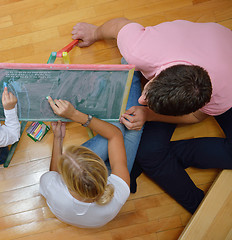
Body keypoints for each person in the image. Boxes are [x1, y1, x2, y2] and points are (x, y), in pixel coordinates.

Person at [71, 18, 232, 213]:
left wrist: (148, 115)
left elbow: (198, 117)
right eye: (147, 91)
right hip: (210, 47)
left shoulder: (223, 94)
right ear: (159, 74)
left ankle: (197, 206)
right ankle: (195, 202)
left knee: (150, 153)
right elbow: (118, 25)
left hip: (225, 72)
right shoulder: (140, 49)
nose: (140, 99)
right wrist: (95, 32)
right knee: (150, 152)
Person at [39, 70, 143, 228]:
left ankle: (131, 72)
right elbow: (115, 135)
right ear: (101, 167)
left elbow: (53, 174)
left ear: (65, 181)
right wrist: (74, 114)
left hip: (88, 187)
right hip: (106, 183)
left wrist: (58, 138)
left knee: (125, 126)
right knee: (128, 126)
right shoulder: (119, 191)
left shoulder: (52, 187)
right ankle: (132, 73)